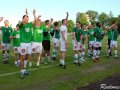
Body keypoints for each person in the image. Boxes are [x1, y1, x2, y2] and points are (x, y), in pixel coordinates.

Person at [18, 9, 35, 79]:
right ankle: (22, 72)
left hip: (29, 43)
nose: (27, 19)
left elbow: (35, 22)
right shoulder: (21, 24)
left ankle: (24, 69)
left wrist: (33, 14)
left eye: (28, 18)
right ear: (23, 19)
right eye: (26, 18)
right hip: (23, 43)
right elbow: (20, 24)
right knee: (22, 58)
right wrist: (26, 15)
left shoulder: (30, 24)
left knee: (27, 57)